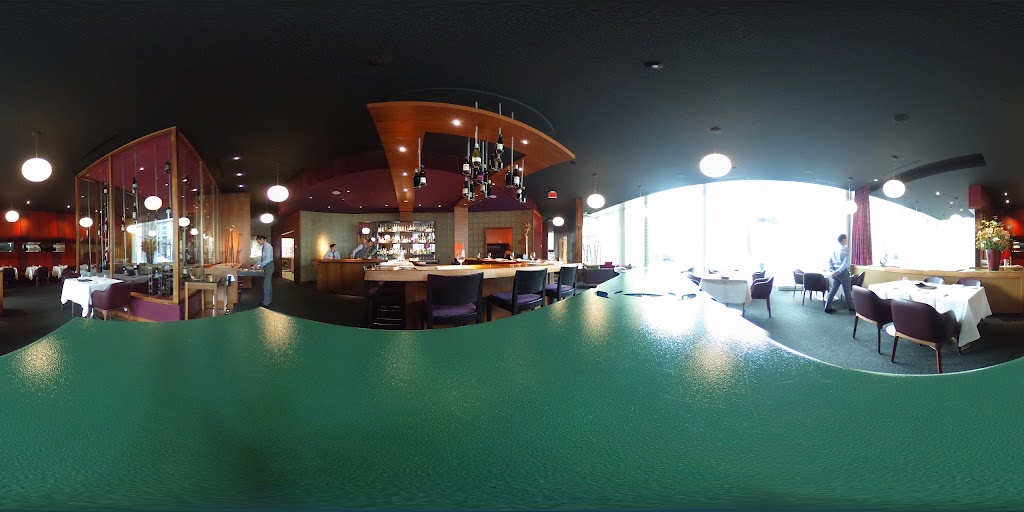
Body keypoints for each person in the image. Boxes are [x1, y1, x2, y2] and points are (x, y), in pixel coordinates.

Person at [824, 233, 854, 314]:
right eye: (846, 239)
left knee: (833, 290)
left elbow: (830, 261)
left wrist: (832, 270)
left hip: (835, 273)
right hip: (842, 272)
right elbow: (845, 263)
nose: (847, 241)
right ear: (843, 240)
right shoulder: (846, 249)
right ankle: (851, 307)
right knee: (847, 290)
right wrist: (838, 271)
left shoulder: (834, 249)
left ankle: (827, 307)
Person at [252, 235, 274, 308]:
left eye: (259, 242)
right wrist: (256, 264)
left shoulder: (268, 246)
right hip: (266, 265)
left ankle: (266, 303)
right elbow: (262, 259)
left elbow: (268, 260)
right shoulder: (264, 247)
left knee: (266, 284)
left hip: (269, 265)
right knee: (268, 284)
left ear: (262, 239)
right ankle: (268, 300)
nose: (259, 243)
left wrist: (259, 265)